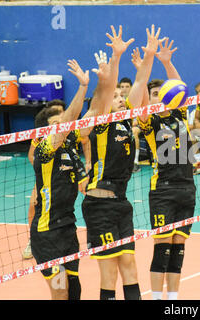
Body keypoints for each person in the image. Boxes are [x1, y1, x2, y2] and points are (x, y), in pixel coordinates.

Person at [127, 25, 195, 300]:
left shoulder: (180, 113)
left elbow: (179, 87)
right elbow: (139, 96)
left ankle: (173, 299)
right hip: (163, 189)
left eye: (162, 93)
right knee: (162, 246)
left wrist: (167, 62)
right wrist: (148, 59)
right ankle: (157, 298)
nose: (159, 96)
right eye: (155, 94)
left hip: (187, 187)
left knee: (179, 247)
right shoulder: (150, 122)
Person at [80, 25, 142, 300]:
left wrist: (150, 56)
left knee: (130, 268)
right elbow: (104, 95)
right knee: (109, 274)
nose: (119, 99)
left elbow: (140, 85)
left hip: (121, 203)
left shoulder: (126, 120)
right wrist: (116, 59)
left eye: (122, 97)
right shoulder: (102, 123)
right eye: (116, 96)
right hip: (99, 205)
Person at [31, 59, 90, 300]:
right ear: (45, 132)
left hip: (67, 228)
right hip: (47, 234)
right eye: (56, 125)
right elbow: (67, 123)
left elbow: (95, 113)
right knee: (60, 291)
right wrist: (81, 88)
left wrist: (96, 82)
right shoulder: (44, 151)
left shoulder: (69, 144)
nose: (62, 128)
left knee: (74, 290)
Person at [23, 100, 90, 260]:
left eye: (62, 112)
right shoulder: (42, 135)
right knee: (34, 204)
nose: (61, 115)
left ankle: (93, 237)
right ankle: (33, 240)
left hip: (70, 170)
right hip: (48, 174)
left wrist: (88, 162)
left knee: (88, 199)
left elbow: (86, 141)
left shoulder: (71, 131)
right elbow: (31, 155)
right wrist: (42, 169)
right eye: (57, 113)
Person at [119, 76, 142, 172]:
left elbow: (141, 116)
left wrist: (134, 122)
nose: (124, 89)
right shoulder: (117, 101)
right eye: (122, 86)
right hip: (121, 126)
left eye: (127, 86)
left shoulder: (136, 100)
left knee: (133, 132)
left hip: (137, 125)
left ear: (131, 88)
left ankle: (135, 162)